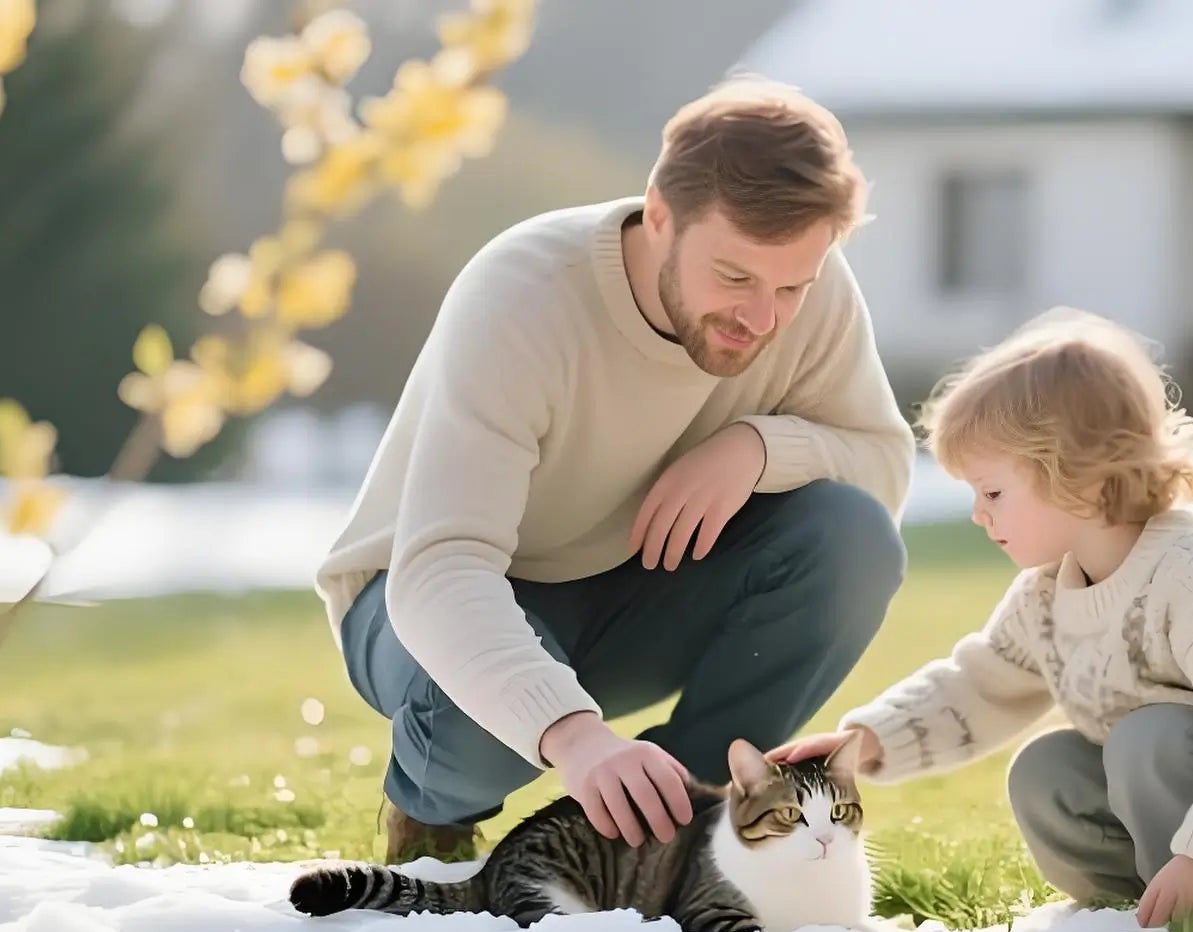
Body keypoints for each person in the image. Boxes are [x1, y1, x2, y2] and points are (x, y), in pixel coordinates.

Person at [315, 76, 915, 865]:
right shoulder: (524, 297)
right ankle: (431, 811)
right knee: (484, 726)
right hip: (421, 603)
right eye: (734, 278)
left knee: (852, 540)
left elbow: (882, 466)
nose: (763, 319)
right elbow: (441, 572)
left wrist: (759, 450)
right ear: (660, 215)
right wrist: (574, 736)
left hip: (635, 587)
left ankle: (684, 824)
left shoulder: (811, 290)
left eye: (791, 287)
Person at [770, 307, 1193, 928]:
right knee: (1046, 772)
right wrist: (868, 739)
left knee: (1148, 740)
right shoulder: (1047, 592)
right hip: (1180, 802)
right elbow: (979, 683)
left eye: (993, 493)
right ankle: (1140, 909)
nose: (978, 515)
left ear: (1081, 480)